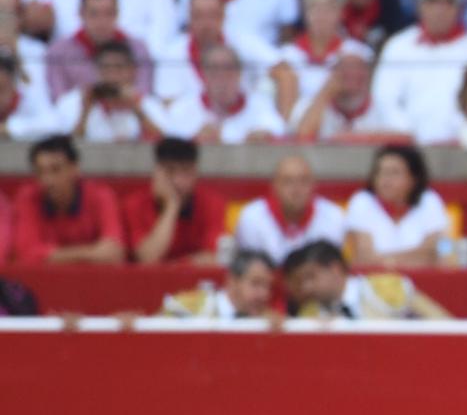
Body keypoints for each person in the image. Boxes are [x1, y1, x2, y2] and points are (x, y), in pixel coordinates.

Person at [9, 134, 126, 264]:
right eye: (40, 172)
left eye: (56, 170)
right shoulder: (28, 198)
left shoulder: (101, 196)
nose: (47, 180)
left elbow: (114, 252)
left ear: (75, 169)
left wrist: (51, 255)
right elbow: (26, 254)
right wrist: (91, 253)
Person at [344, 143, 453, 270]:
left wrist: (386, 261)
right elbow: (364, 258)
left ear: (413, 178)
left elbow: (436, 252)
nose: (385, 180)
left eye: (394, 173)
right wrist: (416, 257)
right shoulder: (362, 201)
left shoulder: (429, 200)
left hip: (423, 283)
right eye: (380, 172)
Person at [282, 238, 450, 320]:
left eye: (311, 277)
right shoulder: (309, 313)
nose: (306, 287)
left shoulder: (387, 288)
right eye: (302, 282)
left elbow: (442, 322)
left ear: (335, 268)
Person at [123, 136, 226, 264]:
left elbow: (215, 258)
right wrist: (172, 206)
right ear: (157, 173)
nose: (178, 181)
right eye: (170, 171)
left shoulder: (212, 203)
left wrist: (175, 265)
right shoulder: (135, 204)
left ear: (195, 173)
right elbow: (147, 258)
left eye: (185, 171)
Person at [232, 153, 348, 264]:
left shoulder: (333, 216)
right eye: (288, 181)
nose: (296, 189)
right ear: (274, 186)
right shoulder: (251, 217)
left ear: (314, 185)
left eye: (303, 181)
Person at [160, 248, 278, 319]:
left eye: (268, 287)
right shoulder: (189, 307)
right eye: (255, 284)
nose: (264, 294)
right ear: (232, 281)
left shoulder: (267, 319)